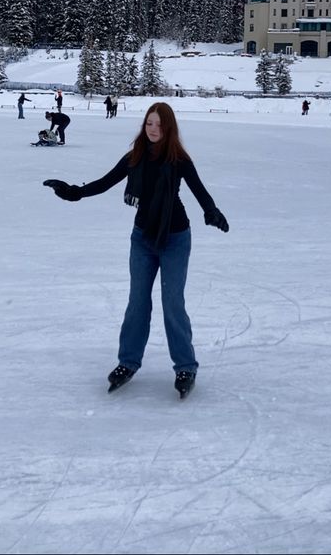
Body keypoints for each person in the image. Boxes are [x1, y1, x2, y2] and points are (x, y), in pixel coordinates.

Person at [43, 102, 229, 399]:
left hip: (175, 237)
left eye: (159, 125)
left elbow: (199, 189)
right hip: (142, 237)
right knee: (138, 302)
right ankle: (128, 362)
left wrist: (211, 211)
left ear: (169, 128)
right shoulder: (135, 157)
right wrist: (74, 192)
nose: (153, 130)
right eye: (149, 124)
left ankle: (185, 366)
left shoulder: (179, 159)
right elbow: (105, 183)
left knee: (172, 303)